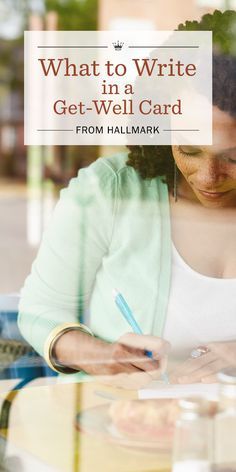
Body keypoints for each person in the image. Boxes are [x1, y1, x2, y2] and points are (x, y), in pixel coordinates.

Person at [18, 10, 236, 388]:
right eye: (188, 149)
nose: (208, 178)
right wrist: (103, 357)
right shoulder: (109, 191)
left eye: (233, 157)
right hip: (123, 427)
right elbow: (40, 312)